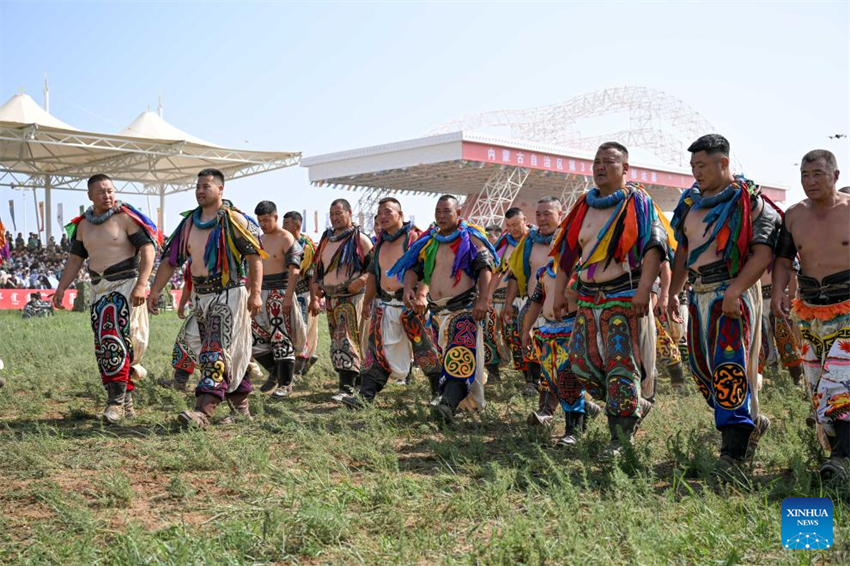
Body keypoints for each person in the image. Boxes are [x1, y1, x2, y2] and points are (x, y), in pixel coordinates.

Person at [668, 134, 780, 471]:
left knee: (728, 369)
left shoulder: (751, 201)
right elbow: (683, 250)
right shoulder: (689, 202)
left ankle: (733, 451)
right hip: (697, 295)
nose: (696, 172)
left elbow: (763, 254)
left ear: (724, 163)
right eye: (693, 166)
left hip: (732, 293)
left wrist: (735, 291)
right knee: (702, 370)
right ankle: (751, 423)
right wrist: (673, 292)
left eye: (702, 165)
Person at [551, 142, 671, 458]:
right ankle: (627, 405)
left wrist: (644, 291)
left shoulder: (639, 202)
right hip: (587, 301)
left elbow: (655, 248)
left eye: (609, 161)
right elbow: (567, 255)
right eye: (596, 162)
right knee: (575, 366)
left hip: (624, 297)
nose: (600, 167)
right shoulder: (583, 206)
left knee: (621, 368)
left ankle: (620, 438)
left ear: (625, 168)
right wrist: (559, 293)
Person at [148, 168, 265, 428]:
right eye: (198, 187)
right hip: (200, 298)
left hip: (229, 294)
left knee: (216, 350)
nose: (200, 191)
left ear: (220, 189)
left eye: (206, 186)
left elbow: (255, 258)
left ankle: (203, 411)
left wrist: (255, 293)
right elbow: (171, 261)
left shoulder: (235, 220)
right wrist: (154, 290)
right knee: (223, 351)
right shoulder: (189, 223)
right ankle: (241, 412)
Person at [53, 174, 158, 423]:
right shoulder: (83, 225)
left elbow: (148, 248)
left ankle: (116, 403)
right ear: (90, 195)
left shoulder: (125, 218)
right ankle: (126, 402)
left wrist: (141, 285)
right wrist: (61, 288)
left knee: (114, 339)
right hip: (98, 289)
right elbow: (75, 260)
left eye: (110, 190)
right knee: (105, 346)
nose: (107, 195)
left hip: (125, 285)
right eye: (101, 192)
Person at [772, 150, 850, 480]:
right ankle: (839, 453)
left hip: (848, 308)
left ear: (835, 175)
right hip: (809, 313)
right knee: (818, 387)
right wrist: (779, 292)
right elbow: (783, 260)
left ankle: (840, 459)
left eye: (818, 173)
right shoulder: (793, 215)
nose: (810, 181)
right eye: (805, 175)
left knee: (840, 383)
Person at [388, 195, 497, 424]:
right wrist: (408, 289)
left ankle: (447, 406)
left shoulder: (471, 237)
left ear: (458, 213)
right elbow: (413, 268)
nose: (441, 216)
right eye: (438, 211)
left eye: (447, 211)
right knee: (447, 360)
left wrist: (483, 300)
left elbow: (485, 267)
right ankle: (452, 404)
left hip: (464, 310)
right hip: (437, 314)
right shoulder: (430, 241)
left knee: (461, 357)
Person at [342, 197, 442, 408]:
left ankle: (440, 395)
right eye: (380, 213)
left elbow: (427, 268)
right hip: (384, 305)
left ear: (400, 214)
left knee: (427, 350)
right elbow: (373, 275)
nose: (383, 216)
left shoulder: (414, 238)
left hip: (412, 306)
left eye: (388, 212)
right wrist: (367, 302)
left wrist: (422, 295)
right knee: (375, 352)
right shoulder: (380, 242)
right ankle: (365, 398)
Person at [522, 260, 601, 446]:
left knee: (568, 378)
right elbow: (536, 302)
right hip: (548, 331)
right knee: (551, 378)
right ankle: (585, 409)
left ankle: (572, 432)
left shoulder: (583, 269)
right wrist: (527, 329)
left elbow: (590, 301)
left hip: (573, 329)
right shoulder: (545, 272)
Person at [504, 196, 564, 423]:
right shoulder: (529, 242)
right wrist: (509, 304)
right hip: (534, 303)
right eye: (538, 214)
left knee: (561, 362)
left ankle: (578, 408)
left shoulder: (570, 240)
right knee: (542, 356)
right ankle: (543, 403)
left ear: (560, 215)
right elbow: (515, 274)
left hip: (564, 311)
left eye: (547, 214)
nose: (542, 218)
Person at [309, 199, 373, 401]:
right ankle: (356, 382)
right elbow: (317, 266)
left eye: (338, 213)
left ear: (349, 213)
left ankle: (346, 388)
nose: (335, 218)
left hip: (352, 298)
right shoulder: (326, 239)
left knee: (346, 340)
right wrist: (316, 286)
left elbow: (373, 269)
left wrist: (360, 281)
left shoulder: (360, 239)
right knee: (338, 341)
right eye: (332, 214)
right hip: (331, 298)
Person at [252, 201, 304, 399]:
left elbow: (294, 270)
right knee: (254, 337)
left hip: (280, 293)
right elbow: (254, 269)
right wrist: (252, 294)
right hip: (261, 293)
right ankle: (275, 371)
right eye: (260, 221)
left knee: (281, 337)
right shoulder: (260, 239)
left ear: (275, 217)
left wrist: (288, 297)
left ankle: (285, 384)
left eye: (266, 220)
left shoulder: (286, 237)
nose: (263, 224)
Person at [487, 208, 530, 383]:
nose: (512, 229)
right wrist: (488, 295)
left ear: (524, 220)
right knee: (508, 337)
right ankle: (499, 374)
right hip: (506, 298)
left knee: (527, 338)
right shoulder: (505, 243)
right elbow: (497, 271)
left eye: (515, 224)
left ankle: (533, 380)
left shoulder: (535, 239)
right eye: (509, 225)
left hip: (531, 297)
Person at [282, 211, 319, 379]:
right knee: (288, 329)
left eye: (286, 224)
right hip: (286, 292)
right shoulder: (283, 242)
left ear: (297, 225)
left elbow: (311, 275)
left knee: (301, 329)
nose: (283, 227)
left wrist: (314, 299)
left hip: (302, 293)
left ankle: (298, 368)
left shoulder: (307, 246)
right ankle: (301, 363)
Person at [757, 269, 803, 384]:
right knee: (763, 344)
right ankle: (774, 379)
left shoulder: (779, 257)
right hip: (757, 299)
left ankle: (797, 379)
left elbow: (791, 269)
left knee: (789, 342)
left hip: (778, 297)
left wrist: (792, 296)